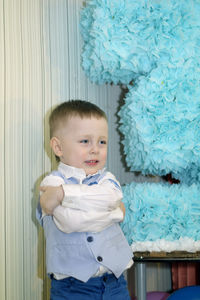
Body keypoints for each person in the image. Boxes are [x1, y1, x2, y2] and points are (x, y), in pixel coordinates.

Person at [36, 100, 133, 300]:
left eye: (102, 142)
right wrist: (113, 213)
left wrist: (65, 194)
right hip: (73, 287)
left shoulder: (107, 179)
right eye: (85, 141)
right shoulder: (52, 183)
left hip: (115, 282)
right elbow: (70, 222)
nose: (95, 149)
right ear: (58, 147)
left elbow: (112, 196)